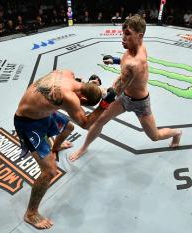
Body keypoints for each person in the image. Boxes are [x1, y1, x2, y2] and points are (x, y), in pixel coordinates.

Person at [69, 14, 182, 162]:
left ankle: (177, 133)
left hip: (140, 102)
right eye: (123, 33)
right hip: (124, 99)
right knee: (99, 122)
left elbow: (114, 91)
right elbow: (125, 68)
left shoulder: (134, 64)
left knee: (155, 136)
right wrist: (116, 60)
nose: (123, 37)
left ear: (139, 35)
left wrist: (94, 88)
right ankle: (84, 147)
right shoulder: (138, 46)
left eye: (128, 34)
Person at [14, 69, 115, 229]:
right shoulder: (70, 98)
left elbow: (78, 83)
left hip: (43, 114)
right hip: (27, 123)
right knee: (49, 171)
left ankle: (56, 146)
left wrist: (93, 86)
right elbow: (86, 124)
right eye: (82, 103)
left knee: (68, 127)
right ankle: (31, 213)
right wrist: (103, 105)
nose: (79, 103)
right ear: (81, 98)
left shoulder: (67, 74)